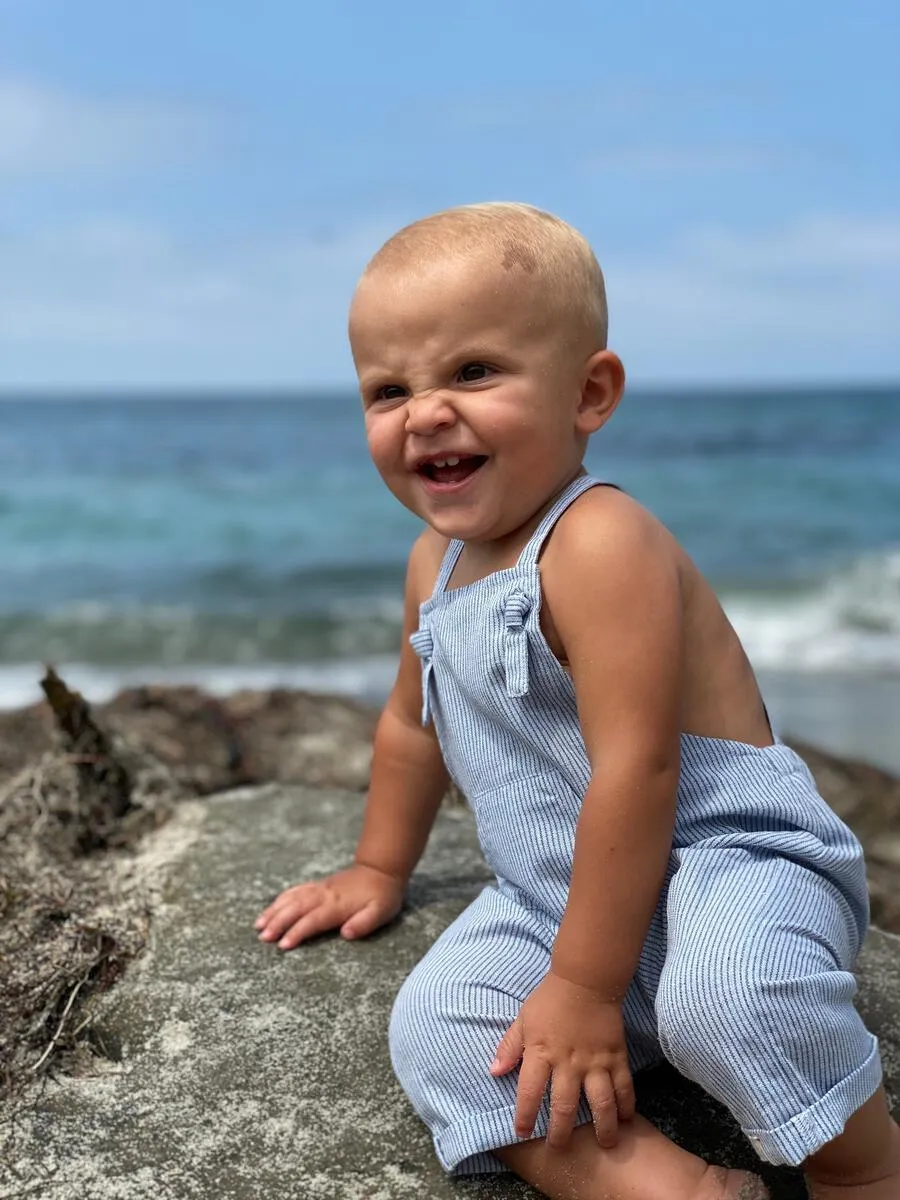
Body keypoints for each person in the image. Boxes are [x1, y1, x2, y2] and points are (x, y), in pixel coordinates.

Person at [255, 202, 900, 1199]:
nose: (425, 411)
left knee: (730, 1001)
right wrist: (379, 866)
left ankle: (861, 1170)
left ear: (589, 392)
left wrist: (586, 987)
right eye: (389, 390)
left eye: (472, 372)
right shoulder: (436, 562)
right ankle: (688, 1188)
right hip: (556, 896)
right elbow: (409, 724)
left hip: (725, 867)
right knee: (440, 1032)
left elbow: (640, 769)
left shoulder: (601, 543)